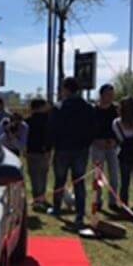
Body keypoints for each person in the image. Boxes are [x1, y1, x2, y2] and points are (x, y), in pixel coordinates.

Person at [48, 77, 98, 230]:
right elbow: (93, 129)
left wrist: (52, 145)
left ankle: (57, 208)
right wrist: (86, 144)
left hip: (62, 149)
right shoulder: (88, 107)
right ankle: (80, 213)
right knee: (79, 182)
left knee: (60, 180)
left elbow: (52, 129)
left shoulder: (59, 107)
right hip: (81, 150)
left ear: (66, 89)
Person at [92, 84, 120, 212]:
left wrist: (115, 141)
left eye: (112, 94)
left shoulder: (116, 110)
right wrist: (95, 140)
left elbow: (120, 127)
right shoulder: (94, 110)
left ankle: (113, 202)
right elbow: (89, 128)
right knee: (98, 176)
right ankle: (97, 200)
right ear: (102, 94)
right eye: (108, 94)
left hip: (112, 147)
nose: (110, 97)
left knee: (114, 175)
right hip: (98, 147)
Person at [26, 98, 52, 209]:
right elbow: (48, 136)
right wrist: (48, 149)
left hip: (31, 151)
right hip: (43, 152)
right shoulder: (47, 120)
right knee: (42, 176)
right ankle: (41, 198)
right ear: (40, 107)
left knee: (34, 176)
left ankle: (37, 199)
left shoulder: (27, 121)